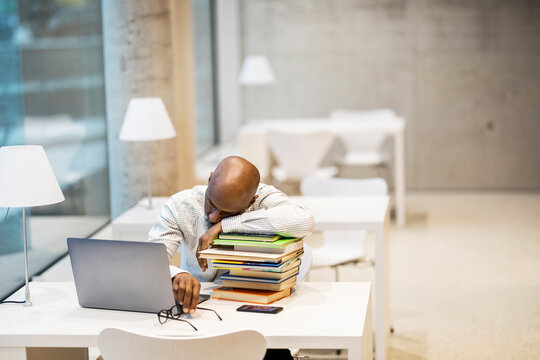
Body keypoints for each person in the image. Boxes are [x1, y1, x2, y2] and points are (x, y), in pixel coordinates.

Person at [148, 156, 314, 313]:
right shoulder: (180, 205)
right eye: (211, 204)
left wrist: (225, 226)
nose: (213, 216)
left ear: (251, 201)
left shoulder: (263, 198)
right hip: (196, 306)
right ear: (209, 179)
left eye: (226, 213)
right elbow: (151, 258)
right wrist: (176, 274)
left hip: (249, 302)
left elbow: (304, 220)